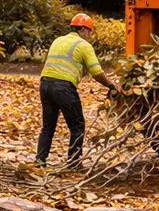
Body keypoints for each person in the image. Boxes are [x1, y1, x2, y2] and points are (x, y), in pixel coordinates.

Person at [36, 13, 116, 168]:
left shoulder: (58, 40)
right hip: (64, 87)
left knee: (48, 126)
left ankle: (40, 160)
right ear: (84, 30)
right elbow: (97, 72)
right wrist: (111, 85)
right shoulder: (84, 45)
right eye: (89, 32)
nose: (89, 36)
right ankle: (73, 163)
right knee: (77, 125)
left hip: (45, 84)